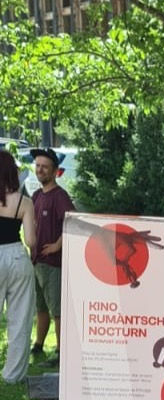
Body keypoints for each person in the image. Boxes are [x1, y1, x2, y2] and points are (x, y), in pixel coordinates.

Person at [30, 146, 75, 363]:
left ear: (55, 171)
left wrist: (58, 244)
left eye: (45, 167)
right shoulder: (36, 195)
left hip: (53, 263)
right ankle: (38, 345)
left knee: (57, 309)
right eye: (38, 166)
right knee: (40, 307)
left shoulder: (60, 197)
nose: (40, 170)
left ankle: (61, 352)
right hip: (36, 261)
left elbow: (73, 223)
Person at [0, 150, 36, 382]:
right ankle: (13, 375)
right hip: (16, 255)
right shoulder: (25, 202)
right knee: (20, 318)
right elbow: (31, 241)